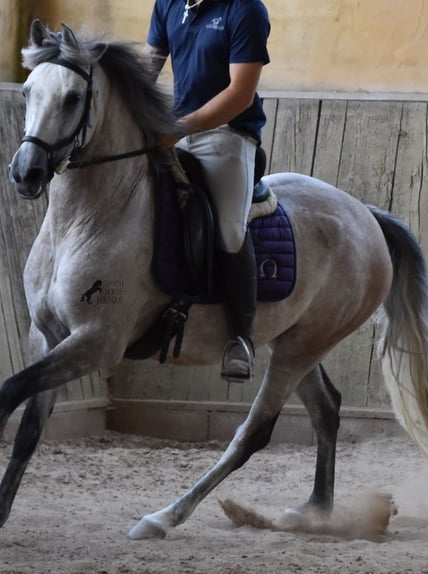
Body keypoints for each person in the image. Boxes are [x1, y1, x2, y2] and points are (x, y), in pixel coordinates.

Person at [145, 0, 271, 383]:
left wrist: (181, 127)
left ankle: (240, 339)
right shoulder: (168, 3)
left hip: (227, 135)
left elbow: (239, 94)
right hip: (174, 129)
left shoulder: (246, 9)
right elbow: (147, 67)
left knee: (230, 231)